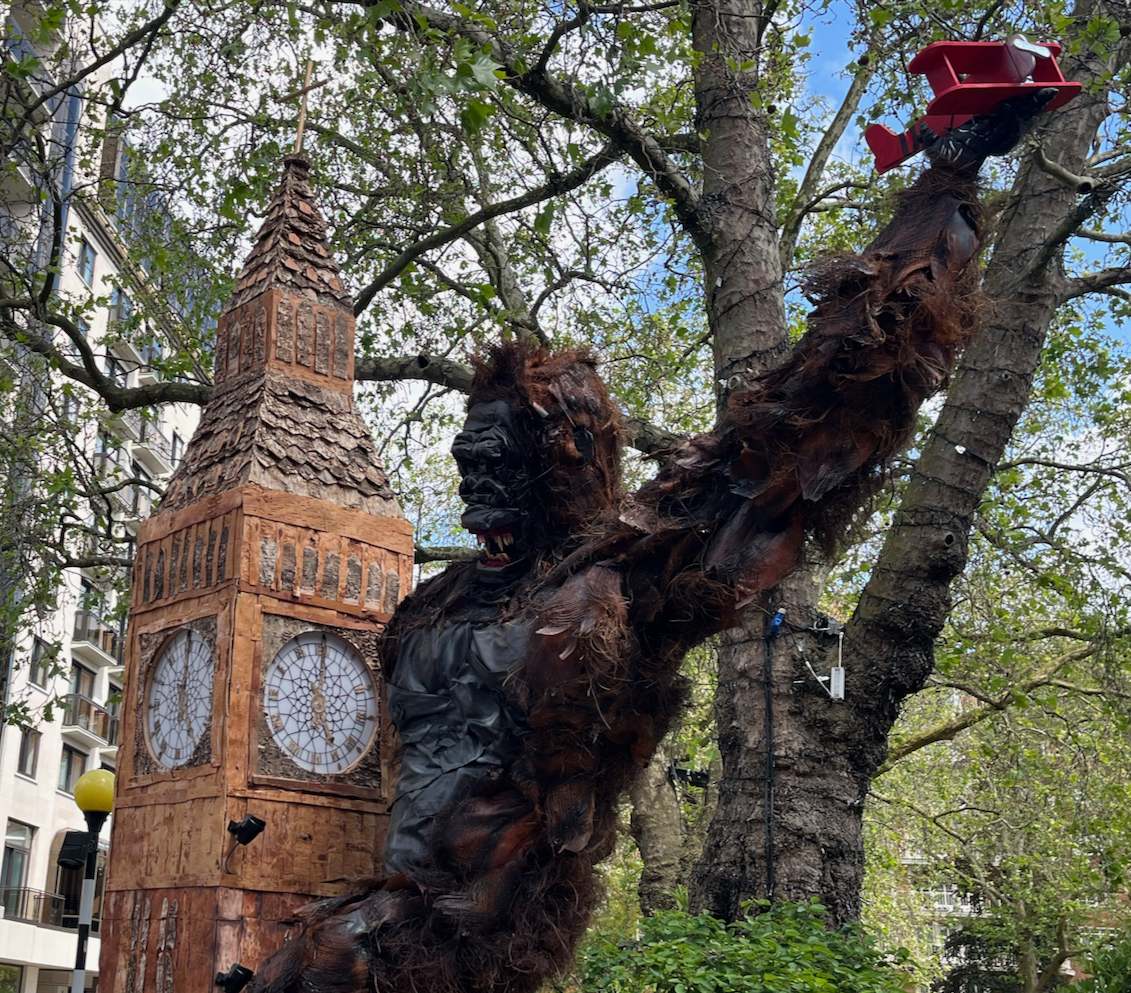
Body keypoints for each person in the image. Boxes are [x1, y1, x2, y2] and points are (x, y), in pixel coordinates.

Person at [252, 87, 1057, 993]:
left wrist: (949, 180)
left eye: (499, 450)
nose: (473, 468)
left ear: (555, 460)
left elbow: (804, 421)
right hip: (392, 910)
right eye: (466, 449)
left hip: (477, 934)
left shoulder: (616, 576)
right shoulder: (428, 608)